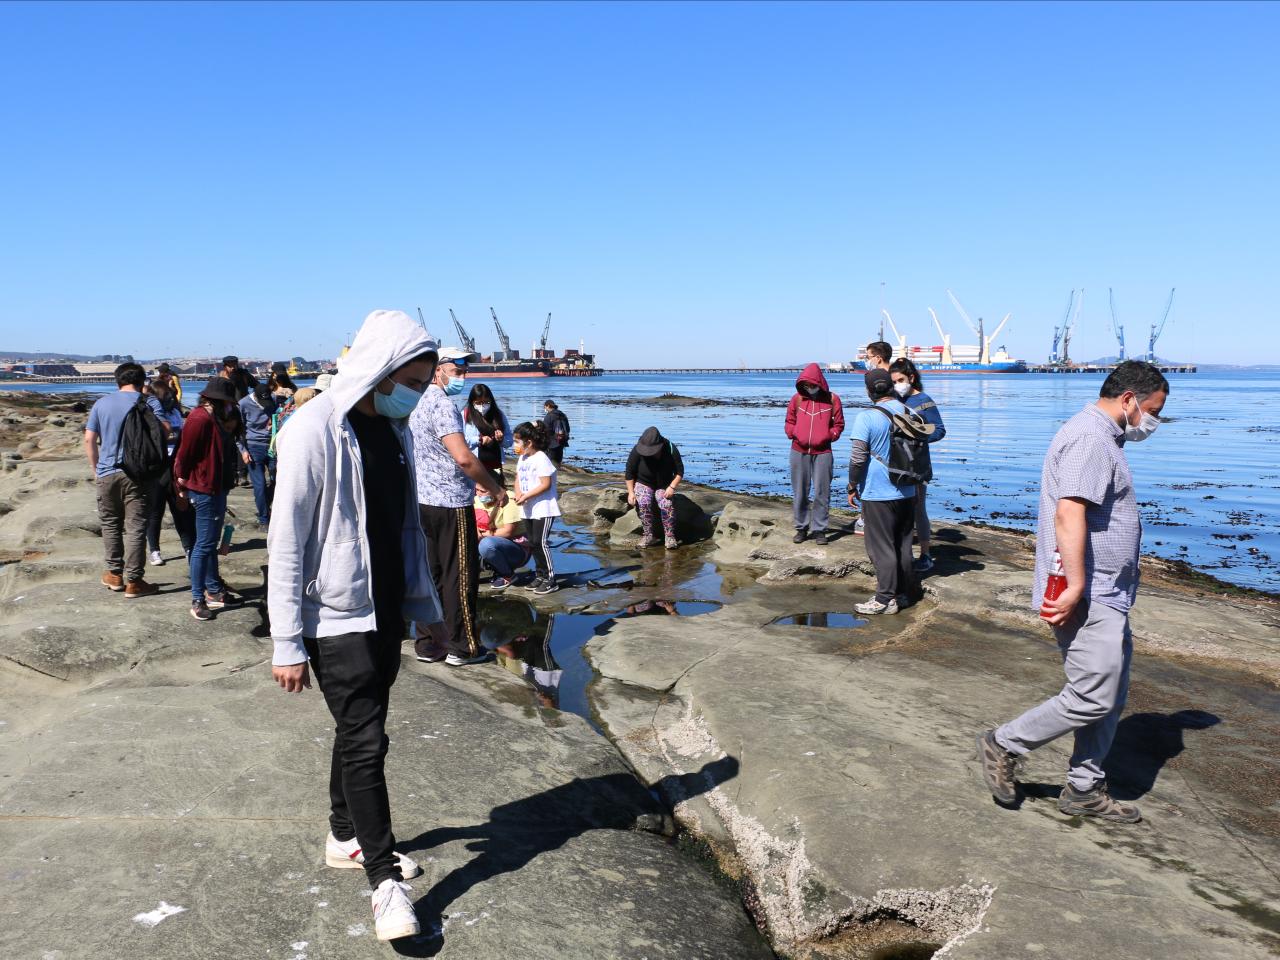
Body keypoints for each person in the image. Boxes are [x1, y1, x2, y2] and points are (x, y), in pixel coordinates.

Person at [268, 308, 444, 943]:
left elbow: (405, 532)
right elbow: (286, 541)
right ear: (381, 368)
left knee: (361, 730)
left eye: (425, 385)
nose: (417, 394)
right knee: (367, 740)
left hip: (386, 609)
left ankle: (344, 836)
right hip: (334, 615)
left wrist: (429, 613)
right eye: (412, 382)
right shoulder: (313, 429)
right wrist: (286, 641)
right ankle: (383, 883)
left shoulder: (392, 432)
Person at [977, 361, 1170, 824]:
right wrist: (1077, 585)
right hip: (1089, 593)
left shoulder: (1104, 437)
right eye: (1152, 410)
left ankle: (1084, 788)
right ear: (1128, 399)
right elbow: (1069, 514)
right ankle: (1003, 742)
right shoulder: (1090, 438)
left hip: (1109, 591)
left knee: (1111, 693)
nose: (1153, 421)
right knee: (1092, 696)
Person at [409, 346, 507, 666]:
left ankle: (427, 644)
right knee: (461, 576)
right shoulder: (443, 404)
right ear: (439, 370)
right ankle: (463, 647)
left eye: (465, 371)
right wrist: (495, 487)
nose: (463, 377)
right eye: (458, 371)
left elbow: (432, 455)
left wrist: (471, 480)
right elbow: (463, 457)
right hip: (450, 504)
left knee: (430, 573)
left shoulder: (415, 400)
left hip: (422, 500)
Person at [83, 362, 167, 598]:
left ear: (117, 380)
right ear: (143, 382)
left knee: (110, 523)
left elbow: (89, 439)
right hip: (139, 474)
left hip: (107, 471)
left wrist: (96, 469)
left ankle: (114, 574)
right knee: (136, 526)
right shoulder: (149, 402)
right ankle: (135, 581)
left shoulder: (102, 403)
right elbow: (165, 430)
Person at [846, 368, 919, 615]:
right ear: (890, 386)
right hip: (908, 489)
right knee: (903, 546)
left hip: (877, 491)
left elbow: (857, 458)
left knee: (880, 548)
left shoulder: (866, 417)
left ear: (869, 391)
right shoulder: (909, 412)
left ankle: (884, 598)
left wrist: (852, 485)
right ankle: (903, 594)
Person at [173, 378, 239, 621]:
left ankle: (214, 590)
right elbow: (184, 454)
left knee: (209, 542)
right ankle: (197, 598)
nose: (231, 407)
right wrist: (180, 482)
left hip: (216, 487)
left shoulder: (215, 418)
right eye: (229, 403)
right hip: (204, 488)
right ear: (219, 401)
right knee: (203, 545)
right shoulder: (200, 418)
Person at [889, 358, 946, 572]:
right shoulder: (893, 400)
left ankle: (925, 554)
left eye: (901, 380)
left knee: (918, 508)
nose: (897, 385)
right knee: (897, 509)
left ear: (911, 378)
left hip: (917, 464)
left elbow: (939, 430)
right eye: (893, 381)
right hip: (895, 463)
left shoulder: (925, 401)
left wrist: (918, 439)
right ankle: (902, 553)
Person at [785, 363, 844, 545]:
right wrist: (793, 433)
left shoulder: (833, 399)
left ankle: (819, 530)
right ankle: (801, 528)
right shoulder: (797, 399)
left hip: (823, 451)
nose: (809, 388)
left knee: (822, 492)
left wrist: (830, 435)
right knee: (800, 492)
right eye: (805, 385)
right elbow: (789, 421)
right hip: (798, 450)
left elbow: (839, 424)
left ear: (819, 382)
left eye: (811, 384)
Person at [145, 377, 195, 566]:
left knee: (181, 509)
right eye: (166, 395)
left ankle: (188, 547)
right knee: (155, 511)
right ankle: (154, 550)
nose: (170, 399)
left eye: (171, 396)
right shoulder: (151, 413)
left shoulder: (175, 412)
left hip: (175, 465)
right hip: (157, 467)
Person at [512, 421, 562, 594]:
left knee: (541, 542)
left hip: (543, 508)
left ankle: (550, 578)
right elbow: (517, 478)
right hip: (528, 509)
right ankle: (539, 575)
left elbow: (546, 484)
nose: (515, 445)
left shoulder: (541, 458)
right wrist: (518, 493)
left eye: (518, 441)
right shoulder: (522, 458)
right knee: (532, 543)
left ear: (529, 442)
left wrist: (526, 496)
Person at [625, 426, 684, 550]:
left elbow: (680, 472)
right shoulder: (637, 450)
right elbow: (629, 473)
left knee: (666, 504)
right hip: (644, 482)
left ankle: (669, 536)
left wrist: (672, 487)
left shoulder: (670, 448)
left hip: (664, 484)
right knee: (644, 501)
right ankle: (648, 535)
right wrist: (631, 493)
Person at [475, 483, 530, 589]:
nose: (479, 494)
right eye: (477, 490)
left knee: (486, 544)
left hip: (515, 548)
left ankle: (508, 575)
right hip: (488, 542)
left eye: (483, 491)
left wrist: (482, 535)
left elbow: (507, 532)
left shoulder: (509, 500)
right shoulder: (476, 500)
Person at [238, 382, 278, 528]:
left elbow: (277, 416)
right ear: (254, 395)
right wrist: (243, 450)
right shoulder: (243, 403)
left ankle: (265, 506)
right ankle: (264, 518)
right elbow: (238, 430)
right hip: (253, 446)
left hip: (273, 444)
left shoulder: (273, 398)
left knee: (278, 480)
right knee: (259, 485)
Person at [463, 383, 512, 480]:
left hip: (495, 464)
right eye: (478, 403)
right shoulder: (465, 415)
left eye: (486, 402)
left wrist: (501, 439)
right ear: (472, 402)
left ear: (491, 401)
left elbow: (509, 441)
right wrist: (479, 440)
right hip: (474, 465)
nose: (482, 406)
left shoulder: (499, 415)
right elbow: (460, 441)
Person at [541, 399, 570, 465]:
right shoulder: (562, 414)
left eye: (545, 407)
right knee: (558, 462)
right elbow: (568, 429)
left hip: (551, 444)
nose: (545, 409)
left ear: (548, 406)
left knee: (550, 464)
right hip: (562, 442)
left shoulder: (548, 416)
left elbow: (545, 430)